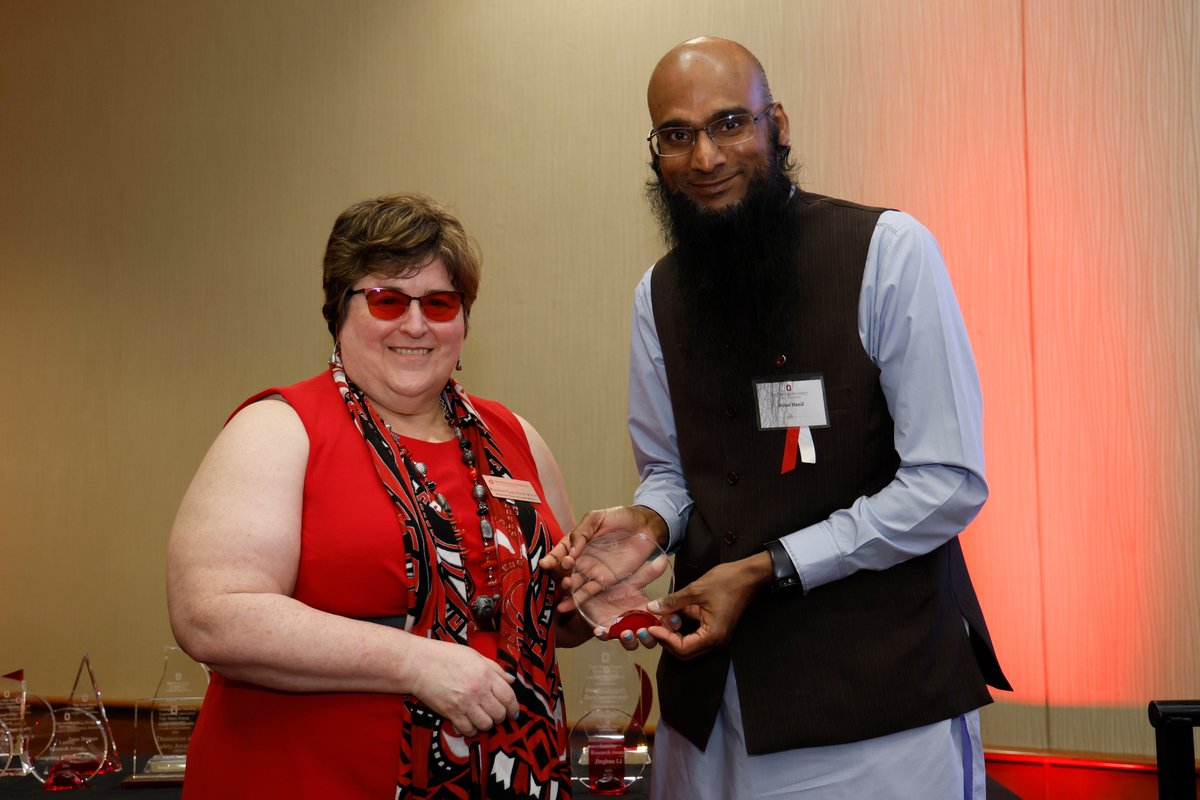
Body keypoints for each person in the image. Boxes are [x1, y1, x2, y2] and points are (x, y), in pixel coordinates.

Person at [542, 37, 1011, 799]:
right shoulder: (656, 295)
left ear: (778, 125)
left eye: (730, 122)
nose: (705, 157)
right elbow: (672, 472)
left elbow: (947, 482)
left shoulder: (888, 252)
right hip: (707, 719)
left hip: (875, 718)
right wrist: (645, 526)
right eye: (677, 135)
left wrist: (770, 568)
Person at [168, 193, 586, 798]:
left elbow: (555, 618)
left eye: (440, 304)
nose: (415, 324)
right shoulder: (280, 428)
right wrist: (417, 663)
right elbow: (210, 616)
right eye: (389, 300)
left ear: (464, 323)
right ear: (340, 312)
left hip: (508, 773)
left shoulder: (514, 437)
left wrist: (597, 595)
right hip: (311, 780)